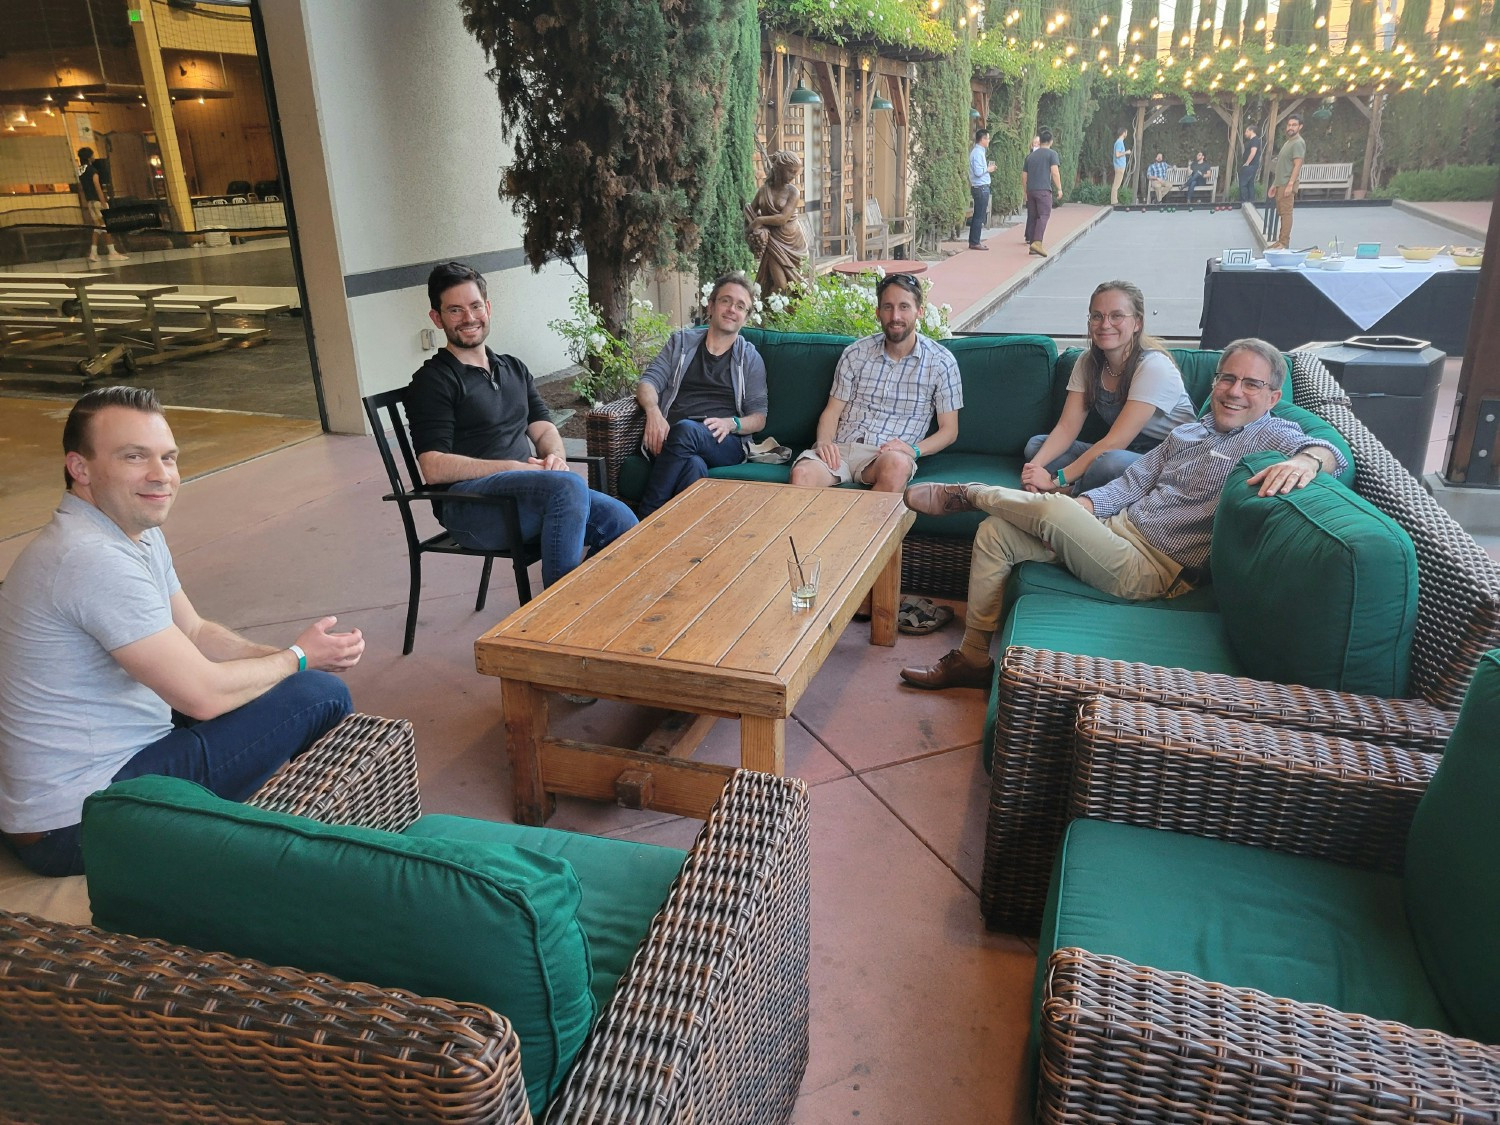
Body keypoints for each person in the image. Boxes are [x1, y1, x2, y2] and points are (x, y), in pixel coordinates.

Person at [0, 387, 362, 877]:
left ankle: (253, 809)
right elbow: (202, 698)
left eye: (168, 458)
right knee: (321, 694)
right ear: (79, 469)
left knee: (284, 686)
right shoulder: (89, 558)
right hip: (79, 822)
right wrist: (298, 660)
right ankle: (281, 845)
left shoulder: (131, 534)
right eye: (134, 457)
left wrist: (274, 658)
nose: (161, 475)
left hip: (97, 775)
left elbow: (192, 630)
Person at [898, 338, 1346, 690]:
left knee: (1051, 506)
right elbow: (1130, 483)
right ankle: (973, 656)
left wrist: (1307, 461)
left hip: (1154, 570)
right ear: (1213, 384)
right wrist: (1085, 509)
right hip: (1115, 532)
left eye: (1252, 384)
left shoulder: (1273, 436)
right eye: (1228, 379)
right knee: (997, 533)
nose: (1235, 392)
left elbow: (1333, 452)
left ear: (1272, 396)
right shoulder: (1190, 431)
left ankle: (970, 493)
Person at [406, 262, 636, 589]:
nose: (469, 318)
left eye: (474, 306)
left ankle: (581, 602)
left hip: (530, 497)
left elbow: (543, 429)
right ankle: (558, 616)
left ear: (488, 308)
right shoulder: (434, 380)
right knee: (566, 488)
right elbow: (433, 467)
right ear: (437, 318)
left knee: (621, 520)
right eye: (455, 310)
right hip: (472, 510)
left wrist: (555, 457)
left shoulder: (512, 368)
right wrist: (515, 468)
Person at [791, 272, 961, 493]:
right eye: (888, 307)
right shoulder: (856, 353)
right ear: (878, 312)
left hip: (886, 454)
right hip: (841, 449)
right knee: (802, 474)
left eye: (904, 307)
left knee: (898, 466)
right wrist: (824, 442)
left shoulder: (941, 362)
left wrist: (913, 450)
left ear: (919, 311)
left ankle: (864, 528)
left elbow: (949, 431)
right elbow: (832, 411)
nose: (895, 316)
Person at [1020, 281, 1195, 496]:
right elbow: (1067, 427)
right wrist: (1033, 470)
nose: (1105, 324)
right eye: (1097, 316)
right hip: (1125, 451)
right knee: (1036, 446)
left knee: (1109, 463)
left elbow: (1115, 441)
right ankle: (1093, 487)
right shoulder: (1087, 362)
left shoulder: (1153, 366)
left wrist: (1056, 480)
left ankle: (1071, 490)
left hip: (1169, 459)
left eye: (1116, 316)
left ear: (1137, 323)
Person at [634, 272, 767, 516]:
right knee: (693, 466)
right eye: (726, 301)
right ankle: (681, 545)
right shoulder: (681, 344)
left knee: (685, 430)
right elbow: (648, 383)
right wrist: (653, 412)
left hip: (723, 441)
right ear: (711, 305)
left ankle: (644, 519)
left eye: (740, 306)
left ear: (745, 317)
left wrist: (732, 423)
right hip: (672, 438)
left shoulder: (749, 358)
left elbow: (759, 417)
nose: (731, 309)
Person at [745, 150, 809, 295]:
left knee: (792, 285)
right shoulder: (764, 191)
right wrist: (752, 228)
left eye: (795, 173)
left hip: (791, 241)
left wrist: (759, 220)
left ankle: (781, 312)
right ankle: (773, 311)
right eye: (791, 172)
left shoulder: (793, 192)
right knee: (780, 284)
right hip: (772, 241)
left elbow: (783, 218)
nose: (793, 177)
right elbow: (750, 211)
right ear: (779, 168)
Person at [75, 147, 128, 264]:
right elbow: (97, 187)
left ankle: (93, 253)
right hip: (97, 201)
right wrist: (103, 202)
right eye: (93, 155)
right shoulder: (92, 170)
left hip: (90, 202)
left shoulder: (80, 170)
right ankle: (112, 252)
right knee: (105, 226)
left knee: (98, 227)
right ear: (89, 157)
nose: (94, 157)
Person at [1267, 113, 1306, 249]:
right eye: (1289, 125)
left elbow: (1297, 164)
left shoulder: (1298, 143)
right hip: (1280, 183)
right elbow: (1282, 165)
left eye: (1294, 125)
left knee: (1286, 213)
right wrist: (1274, 184)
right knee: (1281, 212)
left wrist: (1290, 184)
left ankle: (1284, 242)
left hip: (1287, 184)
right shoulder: (1289, 142)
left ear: (1300, 127)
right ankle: (1280, 240)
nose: (1290, 127)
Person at [1023, 128, 1062, 257]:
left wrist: (1025, 191)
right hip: (1043, 190)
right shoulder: (1052, 154)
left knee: (1033, 217)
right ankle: (1037, 242)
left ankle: (1032, 246)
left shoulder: (1030, 156)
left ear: (1040, 141)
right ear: (1051, 141)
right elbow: (1055, 172)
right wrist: (1059, 188)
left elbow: (1024, 176)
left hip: (1031, 190)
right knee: (1044, 215)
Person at [968, 128, 997, 251]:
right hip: (981, 187)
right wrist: (988, 169)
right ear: (983, 139)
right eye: (988, 138)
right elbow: (979, 172)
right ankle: (975, 241)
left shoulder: (978, 152)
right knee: (979, 215)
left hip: (979, 187)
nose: (989, 140)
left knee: (978, 215)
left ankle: (974, 240)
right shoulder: (977, 153)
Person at [1239, 125, 1262, 203]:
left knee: (1243, 184)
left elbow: (1253, 152)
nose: (1245, 133)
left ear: (1251, 131)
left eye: (1247, 131)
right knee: (1250, 184)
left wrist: (1247, 163)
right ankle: (1251, 202)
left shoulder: (1255, 140)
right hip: (1251, 165)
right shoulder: (1253, 140)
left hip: (1250, 165)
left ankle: (1244, 202)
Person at [1110, 128, 1131, 206]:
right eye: (1126, 132)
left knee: (1117, 184)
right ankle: (1114, 202)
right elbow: (1117, 154)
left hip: (1120, 166)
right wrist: (1126, 152)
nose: (1126, 134)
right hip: (1119, 167)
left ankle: (1115, 201)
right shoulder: (1119, 143)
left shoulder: (1120, 142)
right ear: (1123, 133)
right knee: (1116, 184)